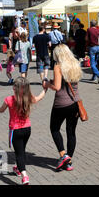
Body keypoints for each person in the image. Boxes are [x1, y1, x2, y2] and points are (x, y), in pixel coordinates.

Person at [0, 77, 47, 185]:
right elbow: (39, 98)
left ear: (15, 88)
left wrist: (2, 108)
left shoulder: (9, 99)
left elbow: (1, 110)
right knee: (22, 150)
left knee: (19, 153)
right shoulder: (28, 98)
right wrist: (45, 89)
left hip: (15, 130)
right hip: (27, 129)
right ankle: (17, 167)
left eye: (14, 85)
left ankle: (24, 176)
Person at [42, 44, 83, 172]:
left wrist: (47, 83)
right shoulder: (75, 64)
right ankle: (69, 161)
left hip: (61, 104)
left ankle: (63, 155)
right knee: (71, 132)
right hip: (75, 103)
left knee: (54, 129)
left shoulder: (58, 66)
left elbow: (57, 87)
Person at [86, 20, 99, 84]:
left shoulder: (89, 29)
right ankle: (94, 77)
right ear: (96, 24)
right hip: (98, 47)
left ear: (90, 24)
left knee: (92, 64)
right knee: (95, 63)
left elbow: (86, 39)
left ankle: (98, 74)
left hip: (92, 47)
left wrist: (87, 45)